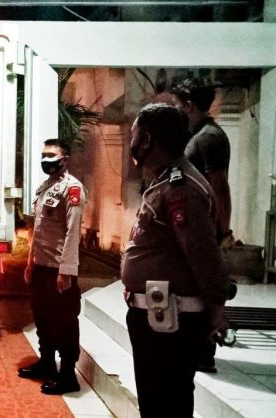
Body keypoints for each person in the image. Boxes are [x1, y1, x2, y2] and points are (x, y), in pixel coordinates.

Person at [122, 103, 230, 417]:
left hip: (171, 322)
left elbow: (202, 253)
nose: (131, 142)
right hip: (156, 318)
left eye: (134, 135)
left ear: (148, 140)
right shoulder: (164, 181)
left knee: (168, 403)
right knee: (155, 403)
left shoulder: (181, 189)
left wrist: (216, 308)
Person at [171, 78, 233, 374]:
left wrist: (223, 231)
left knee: (205, 284)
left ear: (188, 105)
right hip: (192, 225)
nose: (174, 109)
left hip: (205, 226)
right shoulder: (195, 136)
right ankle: (194, 347)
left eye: (176, 104)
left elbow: (220, 186)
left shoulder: (209, 138)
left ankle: (205, 351)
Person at [18, 138, 85, 395]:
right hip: (41, 266)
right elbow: (38, 230)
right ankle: (46, 363)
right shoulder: (45, 187)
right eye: (43, 155)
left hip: (58, 269)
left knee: (64, 322)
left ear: (64, 160)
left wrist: (66, 270)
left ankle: (67, 375)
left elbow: (73, 231)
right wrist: (30, 262)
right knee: (42, 318)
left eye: (51, 156)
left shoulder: (73, 189)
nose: (46, 160)